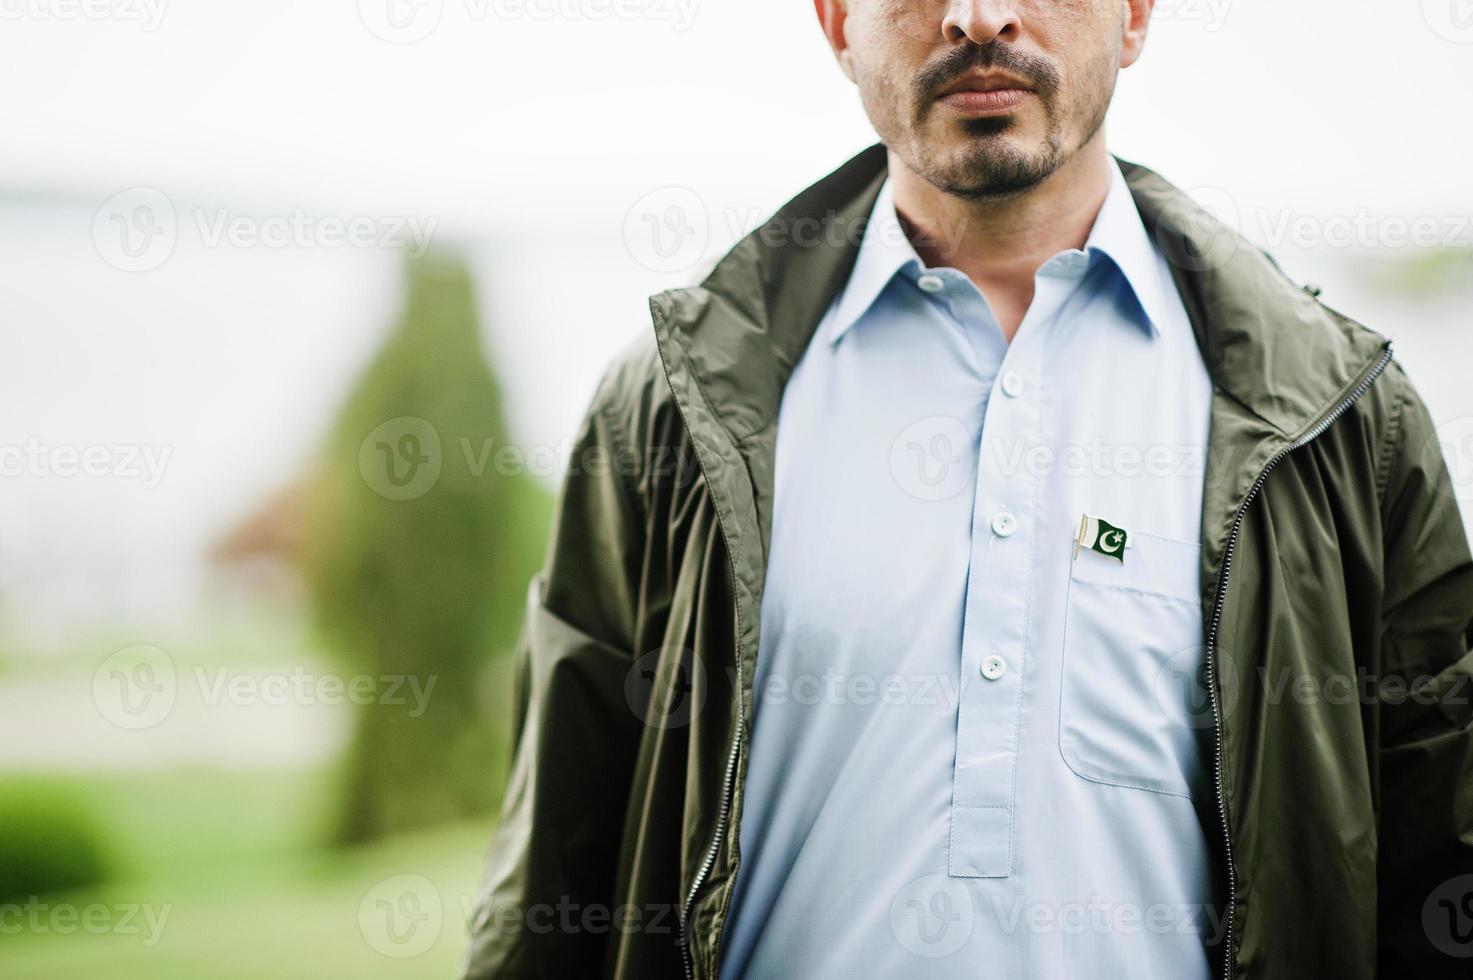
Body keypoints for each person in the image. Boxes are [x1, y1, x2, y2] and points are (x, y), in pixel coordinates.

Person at [463, 2, 1473, 977]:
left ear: (1134, 12)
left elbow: (1439, 882)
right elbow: (554, 876)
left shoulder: (1345, 424)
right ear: (834, 23)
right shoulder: (667, 408)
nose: (978, 17)